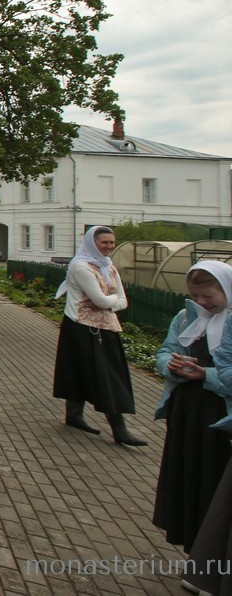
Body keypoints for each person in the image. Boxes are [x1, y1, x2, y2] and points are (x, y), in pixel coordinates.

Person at [151, 261, 232, 554]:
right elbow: (165, 351)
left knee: (213, 481)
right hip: (187, 412)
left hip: (220, 416)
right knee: (189, 478)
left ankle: (213, 554)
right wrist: (172, 366)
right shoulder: (187, 317)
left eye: (208, 296)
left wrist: (205, 375)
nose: (201, 302)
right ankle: (196, 552)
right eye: (195, 295)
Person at [52, 225, 147, 446]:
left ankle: (75, 416)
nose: (109, 246)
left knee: (96, 372)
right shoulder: (81, 267)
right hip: (81, 327)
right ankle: (118, 429)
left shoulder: (108, 267)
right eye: (104, 242)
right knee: (100, 375)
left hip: (106, 328)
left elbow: (123, 300)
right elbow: (101, 300)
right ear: (91, 243)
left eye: (112, 242)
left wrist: (110, 302)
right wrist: (112, 301)